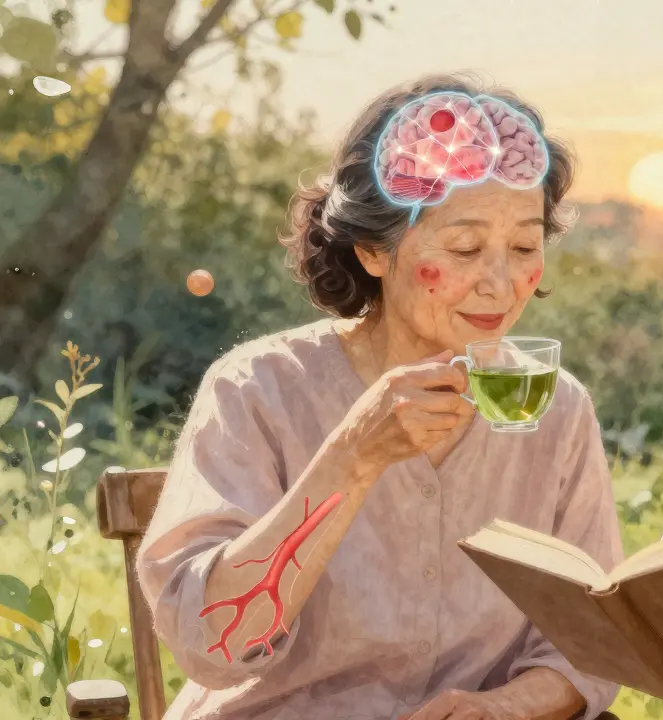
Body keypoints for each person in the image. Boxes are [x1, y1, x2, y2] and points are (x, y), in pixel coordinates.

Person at [137, 73, 623, 720]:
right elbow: (213, 648)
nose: (501, 284)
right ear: (371, 249)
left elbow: (588, 647)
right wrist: (353, 456)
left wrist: (501, 707)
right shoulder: (257, 390)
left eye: (525, 247)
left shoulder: (556, 410)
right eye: (466, 247)